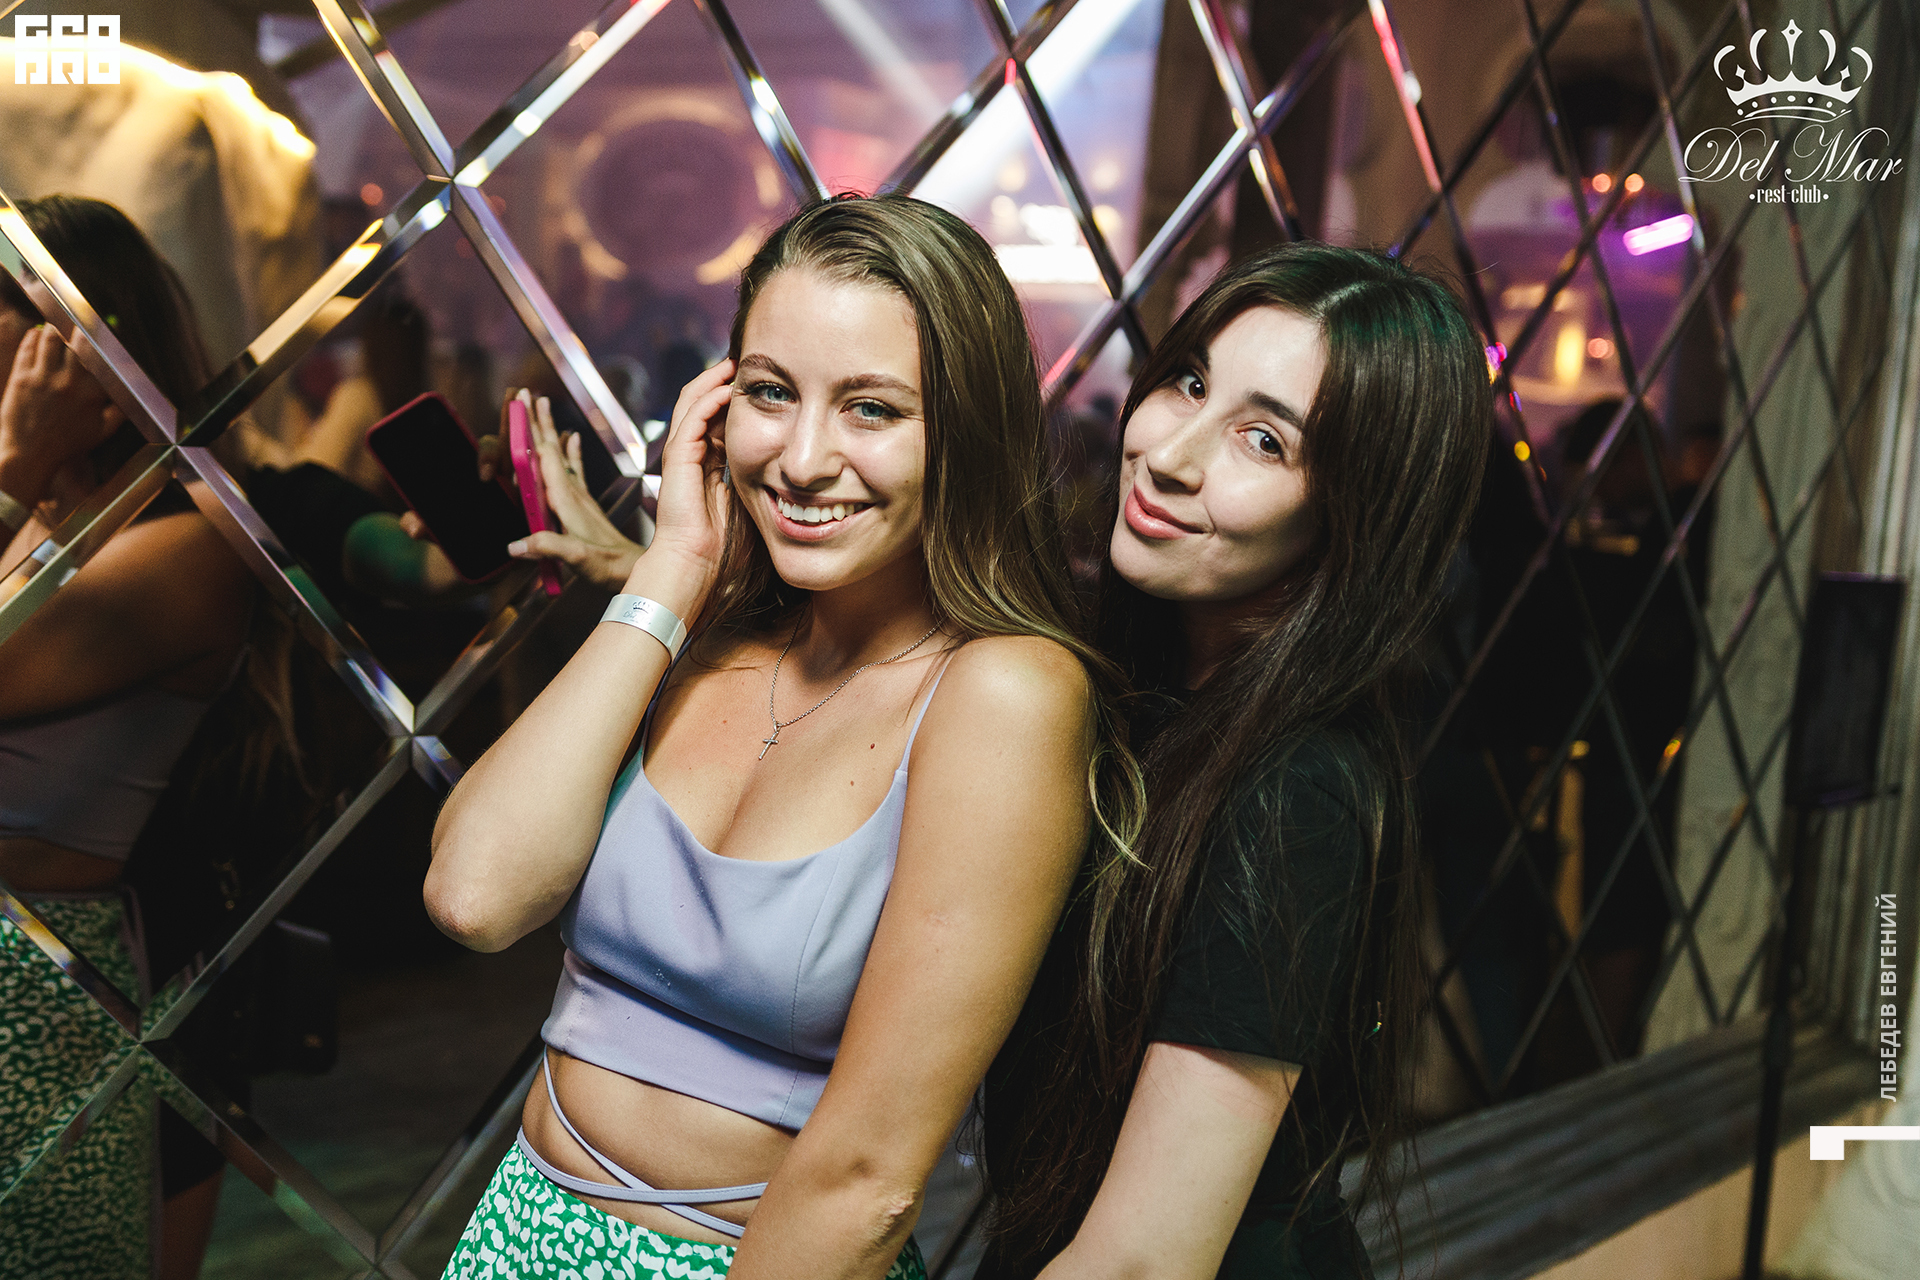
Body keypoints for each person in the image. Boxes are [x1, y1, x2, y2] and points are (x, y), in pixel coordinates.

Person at [426, 193, 1138, 1280]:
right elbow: (476, 895)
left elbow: (869, 1181)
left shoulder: (1004, 691)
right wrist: (672, 569)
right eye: (770, 392)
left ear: (969, 430)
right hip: (516, 1233)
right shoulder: (708, 632)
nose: (803, 459)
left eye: (872, 409)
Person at [981, 243, 1492, 1280]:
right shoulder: (1137, 694)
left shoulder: (1296, 791)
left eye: (1264, 440)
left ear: (1353, 512)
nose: (1170, 455)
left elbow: (1143, 1260)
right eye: (1187, 382)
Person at [0, 195, 285, 1279]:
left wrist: (13, 464)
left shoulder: (190, 542)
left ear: (77, 349)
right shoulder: (32, 518)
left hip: (35, 980)